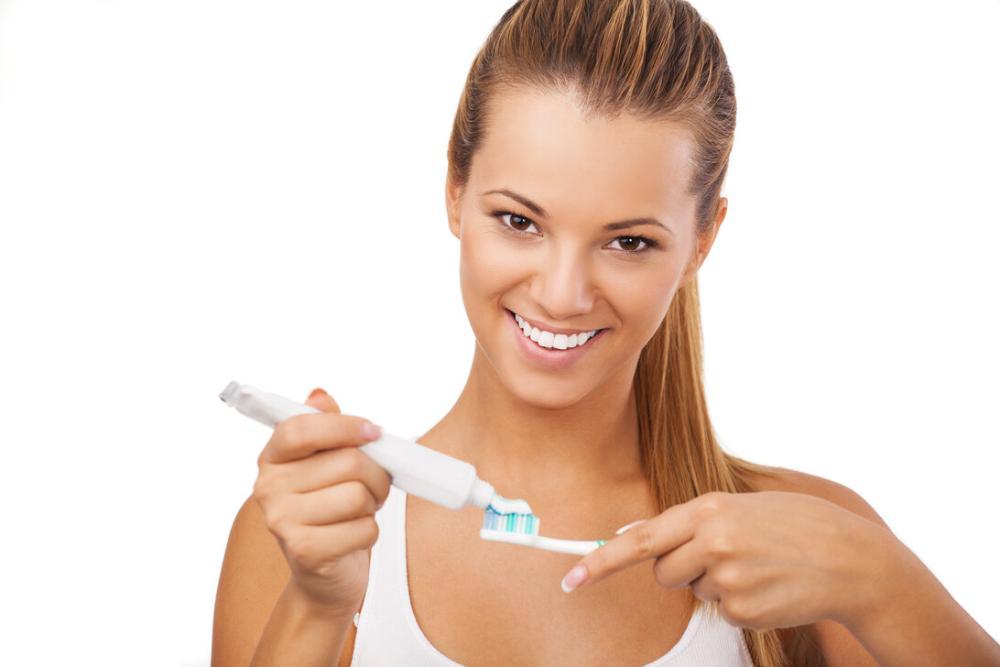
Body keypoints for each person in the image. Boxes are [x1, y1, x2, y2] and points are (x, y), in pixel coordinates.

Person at [212, 1, 1000, 665]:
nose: (561, 294)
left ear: (703, 239)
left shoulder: (813, 549)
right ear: (455, 191)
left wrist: (882, 580)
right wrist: (318, 609)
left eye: (628, 241)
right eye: (519, 220)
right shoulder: (311, 534)